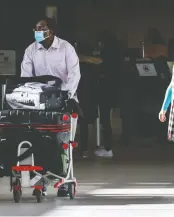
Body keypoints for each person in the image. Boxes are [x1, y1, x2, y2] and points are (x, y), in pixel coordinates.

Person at [21, 18, 81, 197]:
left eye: (42, 28)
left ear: (52, 31)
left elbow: (74, 75)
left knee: (63, 142)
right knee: (38, 140)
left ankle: (63, 179)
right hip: (39, 103)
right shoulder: (31, 50)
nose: (38, 31)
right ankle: (41, 179)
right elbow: (26, 76)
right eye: (36, 28)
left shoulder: (66, 49)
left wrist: (65, 95)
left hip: (64, 100)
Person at [93, 31, 122, 158]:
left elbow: (99, 62)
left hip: (105, 90)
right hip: (114, 89)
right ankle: (107, 146)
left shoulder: (107, 53)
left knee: (105, 119)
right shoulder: (117, 53)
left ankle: (108, 148)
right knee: (106, 119)